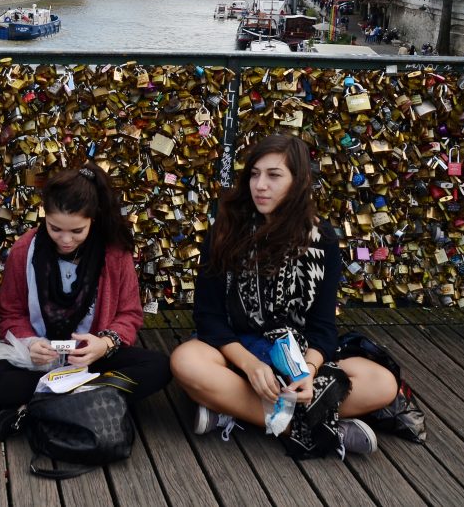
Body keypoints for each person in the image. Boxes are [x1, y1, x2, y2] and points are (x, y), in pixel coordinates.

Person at [170, 135, 398, 458]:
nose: (260, 185)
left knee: (382, 383)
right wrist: (250, 365)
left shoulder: (321, 240)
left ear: (298, 182)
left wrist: (308, 372)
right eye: (254, 174)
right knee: (186, 361)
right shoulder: (226, 230)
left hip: (294, 354)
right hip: (235, 351)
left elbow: (322, 327)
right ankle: (318, 430)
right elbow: (209, 317)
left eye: (274, 175)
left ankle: (233, 409)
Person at [0, 163, 171, 432]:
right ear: (45, 215)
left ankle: (47, 402)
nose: (65, 240)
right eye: (55, 228)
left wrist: (104, 344)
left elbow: (129, 313)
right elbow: (10, 313)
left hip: (92, 359)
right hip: (39, 362)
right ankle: (86, 398)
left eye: (77, 231)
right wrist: (31, 342)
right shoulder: (24, 250)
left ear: (93, 219)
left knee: (159, 367)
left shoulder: (114, 252)